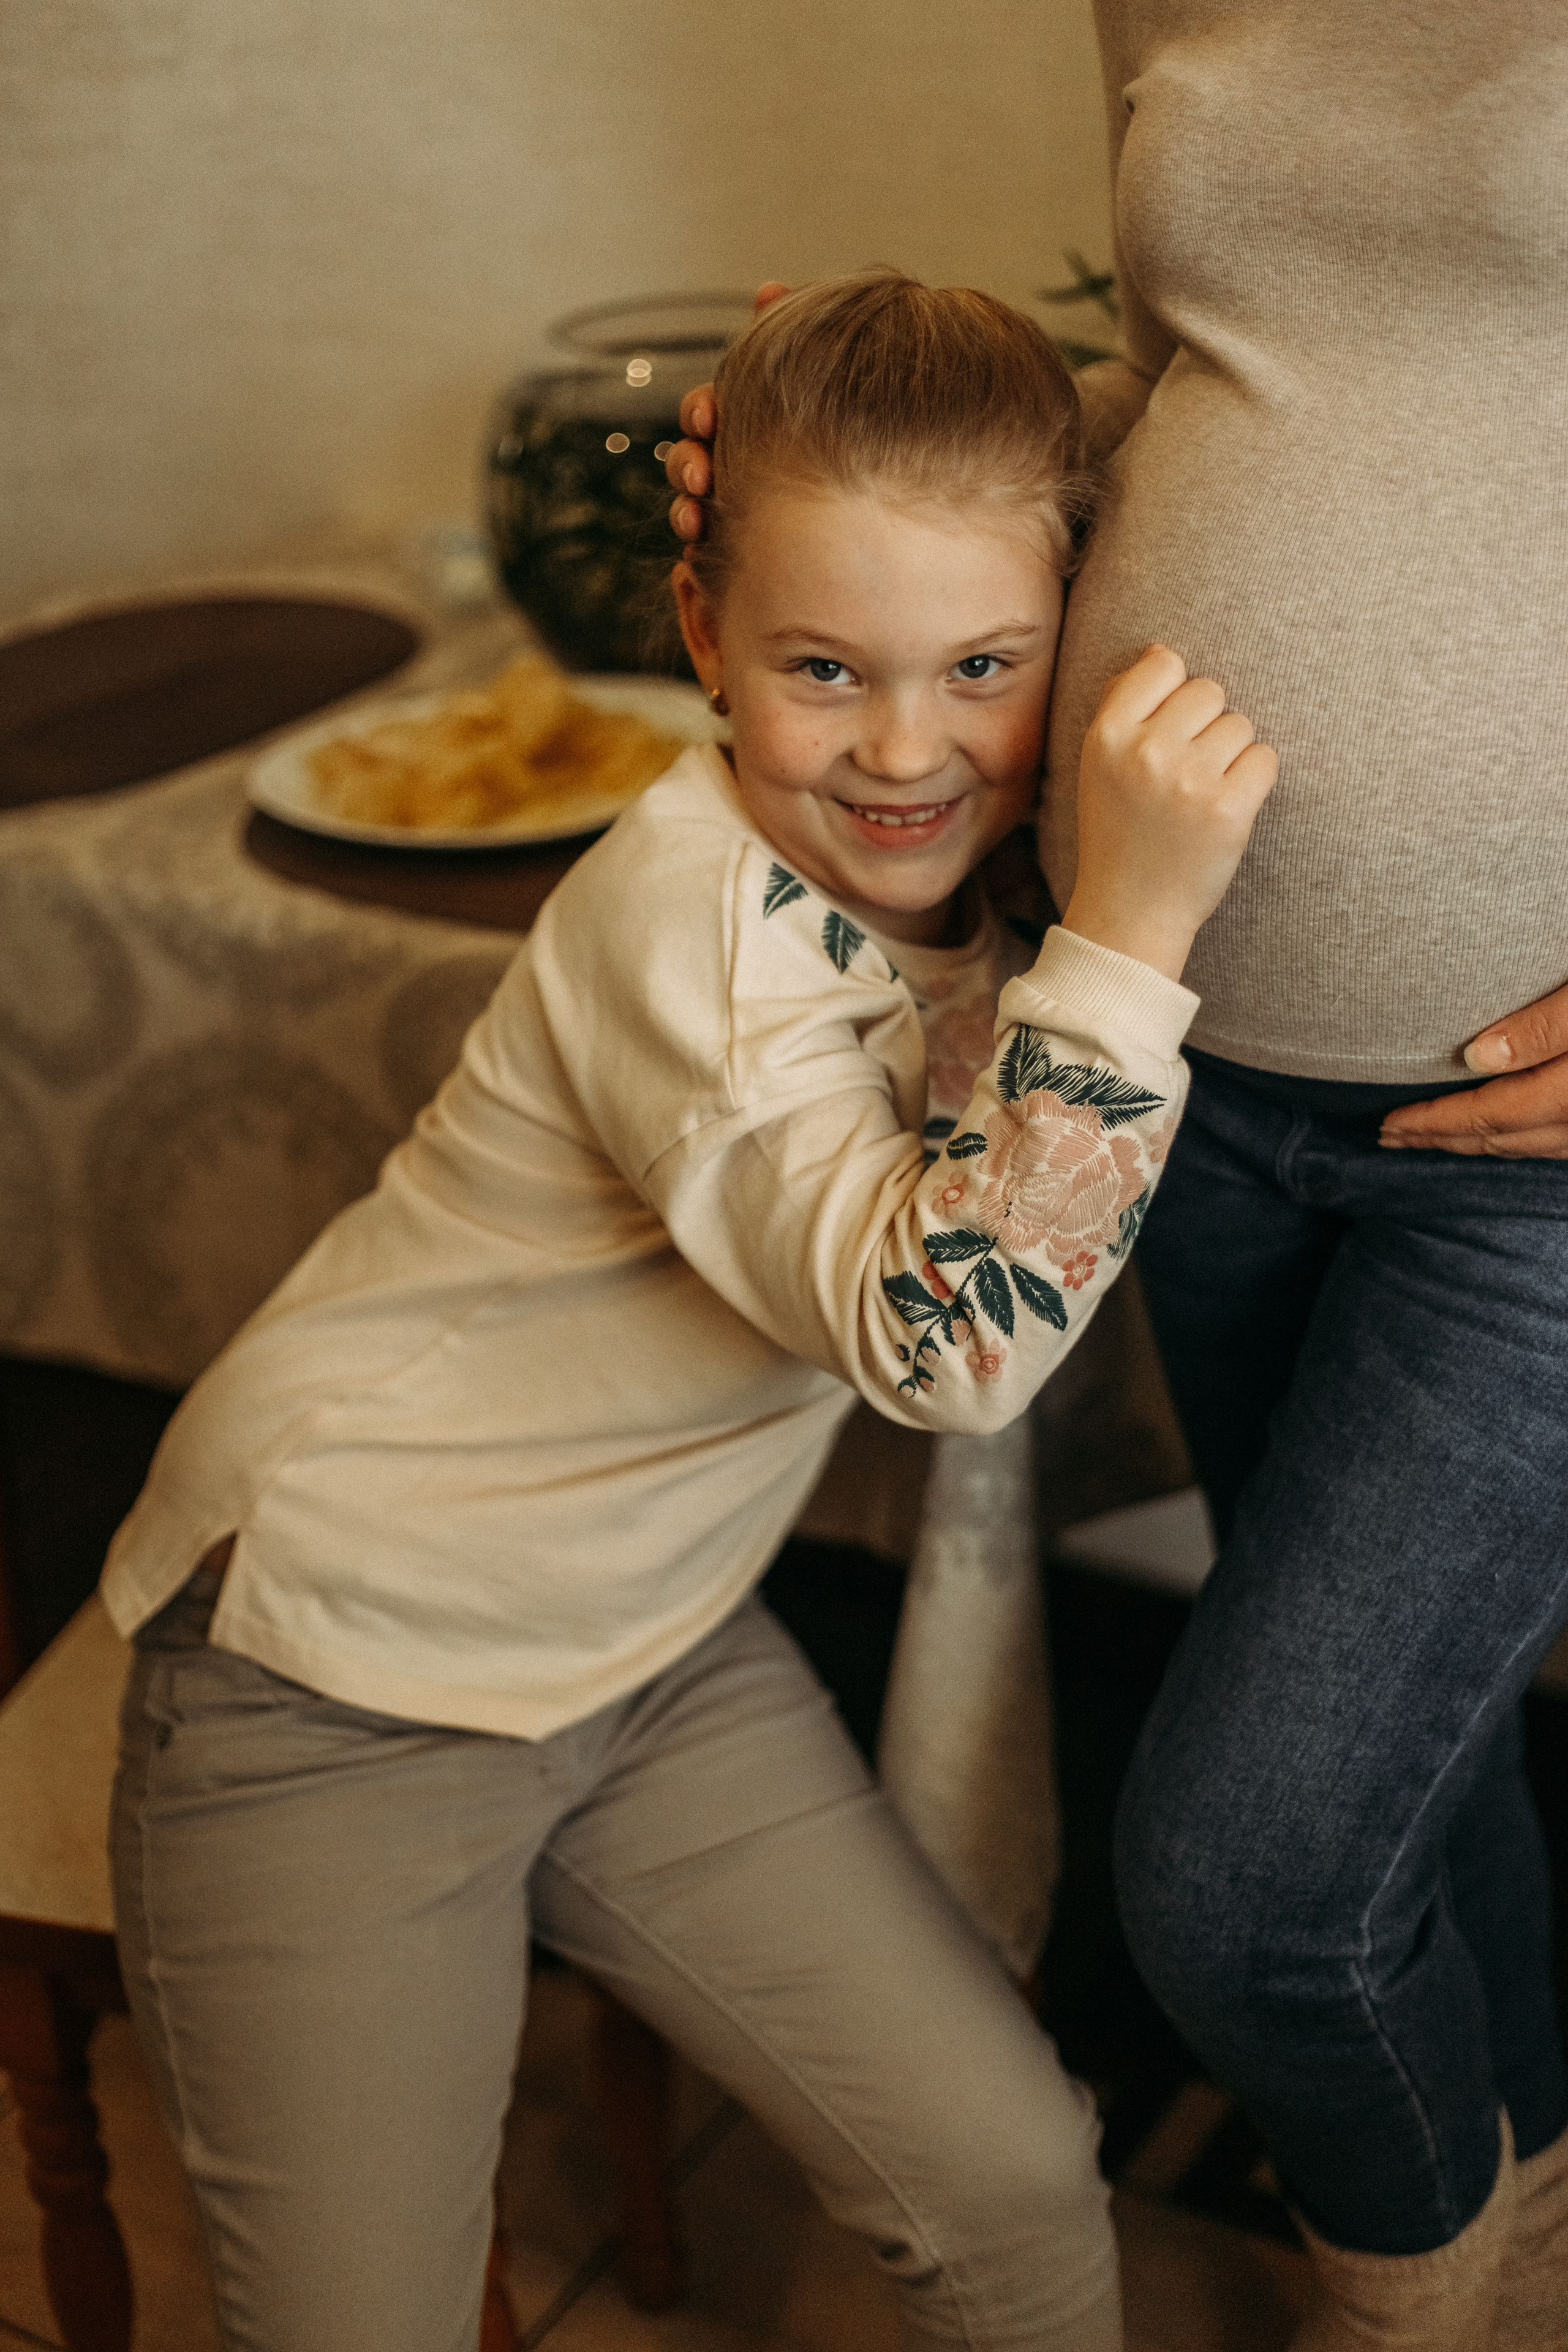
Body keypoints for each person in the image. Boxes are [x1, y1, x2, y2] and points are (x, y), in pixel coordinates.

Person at [103, 271, 1275, 2352]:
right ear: (705, 638)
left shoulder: (969, 860)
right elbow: (953, 1341)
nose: (908, 750)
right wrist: (1146, 919)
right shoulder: (691, 920)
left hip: (645, 1648)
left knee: (1013, 2189)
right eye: (826, 666)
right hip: (337, 1679)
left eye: (983, 667)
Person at [662, 12, 1568, 2349]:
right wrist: (839, 491)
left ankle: (1425, 2308)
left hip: (1528, 1161)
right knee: (1415, 1792)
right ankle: (1526, 2201)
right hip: (1176, 1063)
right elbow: (1211, 381)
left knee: (1248, 1875)